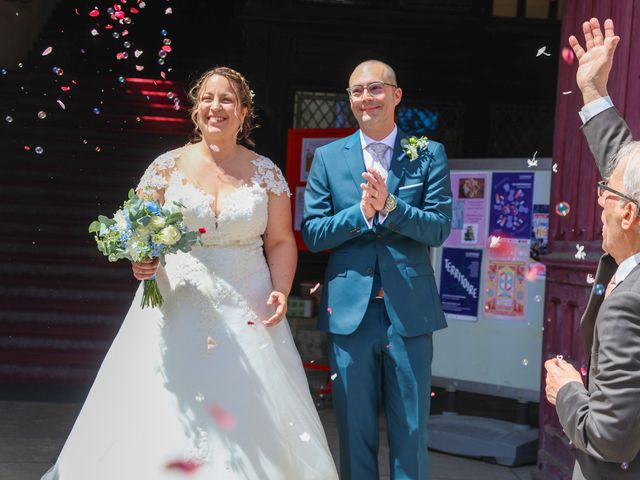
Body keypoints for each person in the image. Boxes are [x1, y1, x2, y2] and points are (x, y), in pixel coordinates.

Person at [42, 67, 338, 479]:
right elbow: (139, 231)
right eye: (208, 99)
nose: (216, 107)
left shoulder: (266, 172)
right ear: (196, 109)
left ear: (244, 111)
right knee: (161, 405)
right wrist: (140, 259)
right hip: (176, 302)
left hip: (247, 303)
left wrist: (282, 289)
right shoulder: (165, 168)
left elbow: (281, 242)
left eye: (227, 99)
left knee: (247, 409)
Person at [302, 60, 452, 479]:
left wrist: (392, 207)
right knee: (354, 429)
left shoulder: (427, 153)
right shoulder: (329, 158)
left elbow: (438, 227)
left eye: (375, 88)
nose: (365, 98)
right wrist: (361, 214)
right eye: (356, 91)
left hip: (410, 309)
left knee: (410, 429)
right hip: (351, 313)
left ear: (396, 95)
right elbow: (313, 232)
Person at [544, 18, 640, 479]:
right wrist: (593, 89)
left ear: (628, 216)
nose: (598, 197)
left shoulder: (628, 304)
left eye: (608, 191)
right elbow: (628, 166)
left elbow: (610, 437)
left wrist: (567, 390)